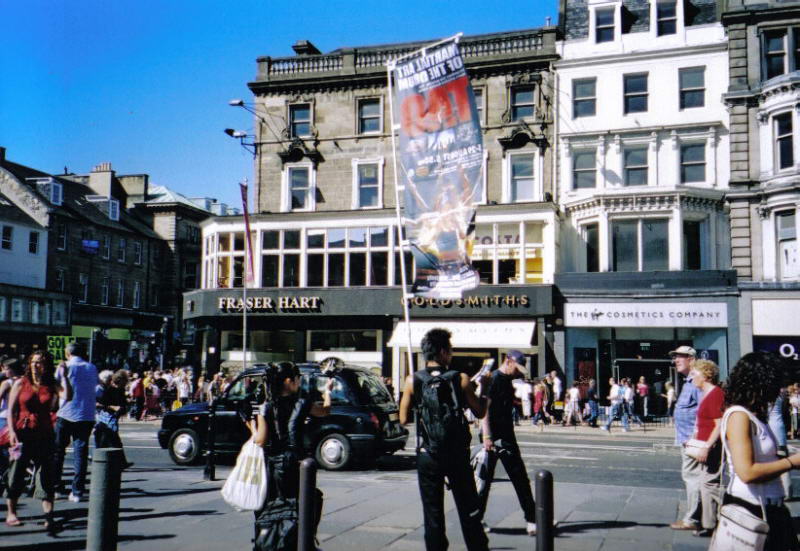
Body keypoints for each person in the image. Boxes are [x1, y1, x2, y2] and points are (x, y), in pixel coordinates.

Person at [399, 328, 490, 551]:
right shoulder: (460, 379)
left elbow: (403, 419)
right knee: (469, 510)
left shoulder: (412, 380)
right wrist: (485, 388)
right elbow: (479, 411)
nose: (451, 354)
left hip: (428, 454)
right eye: (450, 350)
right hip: (456, 454)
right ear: (442, 352)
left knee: (433, 514)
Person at [722, 352, 800, 550]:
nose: (780, 390)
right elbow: (747, 472)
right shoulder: (739, 416)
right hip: (751, 508)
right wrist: (791, 462)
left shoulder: (755, 416)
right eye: (776, 383)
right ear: (761, 382)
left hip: (770, 505)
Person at [251, 362, 332, 550]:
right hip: (297, 462)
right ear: (288, 381)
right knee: (304, 501)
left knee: (273, 505)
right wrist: (327, 392)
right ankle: (301, 541)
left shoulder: (265, 406)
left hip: (272, 465)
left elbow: (261, 440)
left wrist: (253, 428)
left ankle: (271, 542)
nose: (299, 382)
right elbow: (325, 411)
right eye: (297, 379)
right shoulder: (302, 403)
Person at [477, 350, 537, 536]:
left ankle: (532, 518)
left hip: (505, 434)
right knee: (487, 480)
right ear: (508, 361)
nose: (518, 373)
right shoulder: (494, 379)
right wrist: (487, 436)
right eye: (516, 368)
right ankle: (477, 520)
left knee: (517, 477)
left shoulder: (506, 380)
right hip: (495, 436)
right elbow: (484, 409)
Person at [4, 352, 59, 531]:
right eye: (34, 362)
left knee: (46, 476)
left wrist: (64, 376)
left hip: (44, 435)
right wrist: (12, 432)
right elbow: (11, 410)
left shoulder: (51, 385)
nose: (36, 365)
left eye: (40, 362)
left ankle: (49, 516)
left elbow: (68, 395)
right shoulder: (21, 383)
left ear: (46, 365)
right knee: (16, 473)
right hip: (22, 434)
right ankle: (11, 512)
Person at [54, 341, 98, 502]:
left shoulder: (64, 366)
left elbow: (56, 386)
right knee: (81, 453)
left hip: (65, 411)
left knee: (58, 451)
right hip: (86, 413)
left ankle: (56, 487)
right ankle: (77, 491)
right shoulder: (91, 367)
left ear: (68, 353)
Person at [688, 359, 724, 538]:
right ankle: (709, 524)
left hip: (712, 447)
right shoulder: (706, 394)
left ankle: (732, 512)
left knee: (710, 484)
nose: (691, 378)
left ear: (706, 376)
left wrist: (707, 446)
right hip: (704, 445)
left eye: (694, 374)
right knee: (706, 484)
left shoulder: (715, 394)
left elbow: (719, 424)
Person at [669, 345, 703, 531]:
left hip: (693, 440)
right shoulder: (688, 381)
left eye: (680, 356)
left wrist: (696, 438)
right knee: (692, 477)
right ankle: (698, 516)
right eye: (675, 357)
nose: (676, 360)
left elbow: (705, 411)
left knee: (692, 478)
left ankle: (692, 519)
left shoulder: (697, 381)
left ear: (691, 359)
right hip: (687, 439)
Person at [95, 369, 133, 469]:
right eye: (125, 380)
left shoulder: (120, 390)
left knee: (109, 440)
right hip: (108, 417)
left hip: (113, 417)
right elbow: (101, 403)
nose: (126, 383)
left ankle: (117, 461)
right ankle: (119, 462)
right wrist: (113, 407)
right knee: (113, 440)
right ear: (120, 380)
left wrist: (124, 405)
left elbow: (122, 404)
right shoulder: (110, 390)